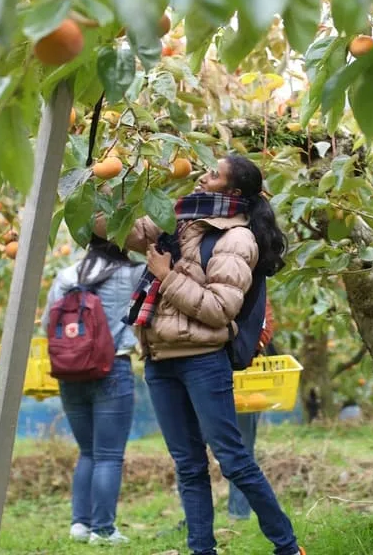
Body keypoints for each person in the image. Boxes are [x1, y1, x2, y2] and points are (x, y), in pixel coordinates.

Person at [116, 155, 304, 555]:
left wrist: (166, 276)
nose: (203, 175)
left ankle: (288, 548)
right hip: (160, 359)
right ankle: (202, 550)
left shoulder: (237, 239)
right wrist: (103, 179)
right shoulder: (180, 218)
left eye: (214, 174)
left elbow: (220, 309)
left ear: (232, 192)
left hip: (202, 361)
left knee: (233, 460)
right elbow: (120, 229)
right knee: (188, 465)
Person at [42, 236, 145, 545]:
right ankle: (103, 530)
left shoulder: (67, 275)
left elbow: (48, 322)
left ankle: (80, 524)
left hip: (70, 373)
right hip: (112, 368)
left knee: (88, 451)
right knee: (109, 456)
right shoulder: (134, 274)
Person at [228, 298, 276, 522]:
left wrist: (242, 348)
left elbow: (264, 328)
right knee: (193, 450)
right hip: (200, 370)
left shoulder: (253, 287)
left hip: (242, 376)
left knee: (241, 448)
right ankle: (194, 517)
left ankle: (239, 513)